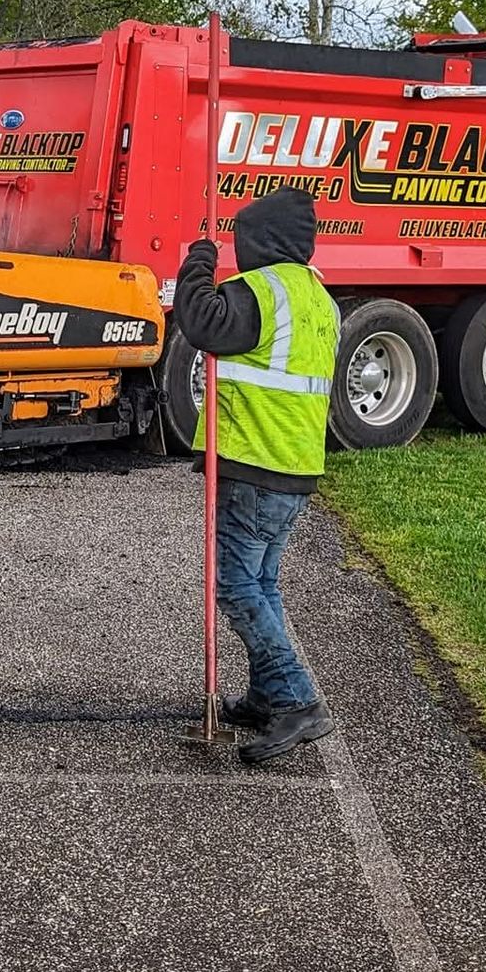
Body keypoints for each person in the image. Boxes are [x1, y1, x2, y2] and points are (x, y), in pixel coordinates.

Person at [173, 187, 339, 766]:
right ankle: (268, 694)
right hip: (294, 465)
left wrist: (197, 259)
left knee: (236, 586)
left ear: (258, 241)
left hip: (256, 463)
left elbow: (202, 324)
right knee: (261, 582)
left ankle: (298, 699)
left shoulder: (262, 292)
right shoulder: (317, 295)